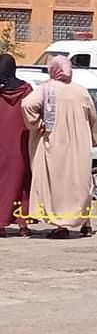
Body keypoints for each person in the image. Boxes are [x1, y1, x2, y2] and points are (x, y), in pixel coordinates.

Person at [22, 56, 97, 239]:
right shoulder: (81, 91)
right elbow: (93, 116)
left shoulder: (46, 89)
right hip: (79, 145)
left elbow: (26, 104)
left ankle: (61, 226)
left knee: (58, 186)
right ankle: (86, 223)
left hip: (55, 145)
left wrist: (36, 124)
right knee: (79, 184)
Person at [0, 54, 33, 237]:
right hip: (22, 143)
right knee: (22, 184)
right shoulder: (26, 90)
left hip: (2, 145)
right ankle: (23, 225)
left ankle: (1, 224)